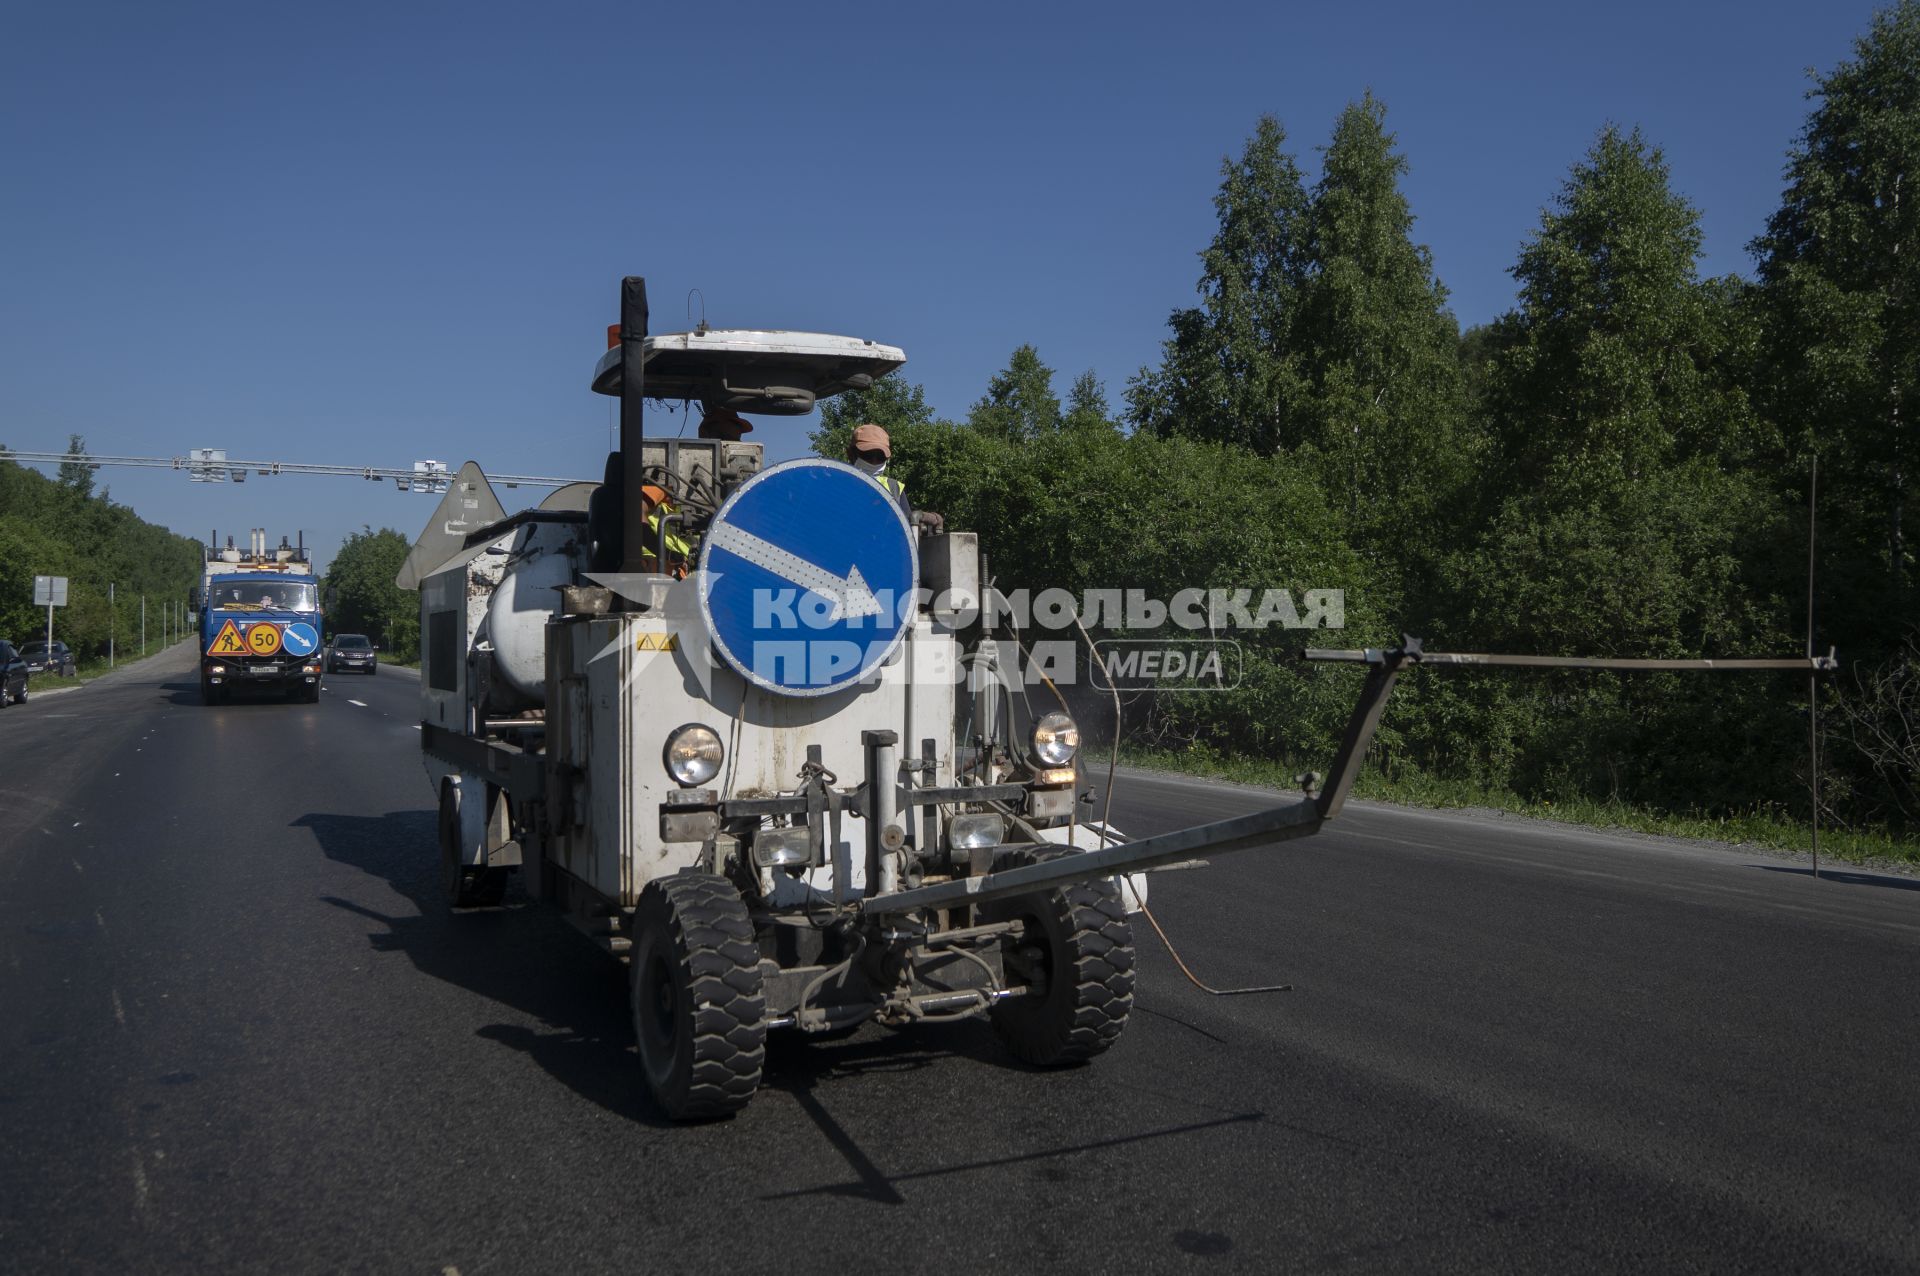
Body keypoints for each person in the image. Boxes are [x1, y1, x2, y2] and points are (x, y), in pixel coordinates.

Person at [847, 424, 943, 532]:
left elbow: (906, 530)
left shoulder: (895, 488)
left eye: (880, 457)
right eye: (867, 455)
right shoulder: (840, 485)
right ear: (851, 454)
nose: (874, 462)